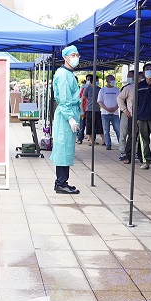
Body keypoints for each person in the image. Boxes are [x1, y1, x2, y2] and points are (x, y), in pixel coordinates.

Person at [51, 46, 82, 194]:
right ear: (65, 57)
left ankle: (62, 182)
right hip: (65, 115)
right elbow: (64, 99)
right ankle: (60, 183)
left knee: (67, 149)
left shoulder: (68, 73)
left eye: (77, 55)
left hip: (69, 113)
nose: (76, 57)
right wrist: (70, 118)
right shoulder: (63, 75)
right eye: (73, 55)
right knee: (63, 149)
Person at [117, 69, 138, 164]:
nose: (129, 78)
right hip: (126, 114)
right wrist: (125, 110)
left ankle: (136, 152)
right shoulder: (126, 88)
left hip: (137, 115)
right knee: (124, 133)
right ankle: (123, 152)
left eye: (131, 76)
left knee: (135, 135)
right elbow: (120, 98)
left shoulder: (140, 87)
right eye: (128, 76)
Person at [97, 74, 121, 150]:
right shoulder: (102, 90)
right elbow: (100, 102)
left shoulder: (117, 90)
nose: (113, 81)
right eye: (111, 79)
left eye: (114, 79)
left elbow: (120, 101)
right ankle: (108, 144)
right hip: (105, 113)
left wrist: (115, 108)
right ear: (107, 81)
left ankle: (121, 144)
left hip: (115, 113)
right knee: (106, 130)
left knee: (118, 129)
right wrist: (107, 108)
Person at [80, 75, 103, 144]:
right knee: (89, 125)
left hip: (97, 109)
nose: (98, 82)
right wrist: (82, 109)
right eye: (97, 80)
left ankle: (103, 139)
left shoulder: (99, 89)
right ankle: (90, 139)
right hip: (89, 109)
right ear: (93, 81)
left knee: (98, 125)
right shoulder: (87, 89)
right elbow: (82, 98)